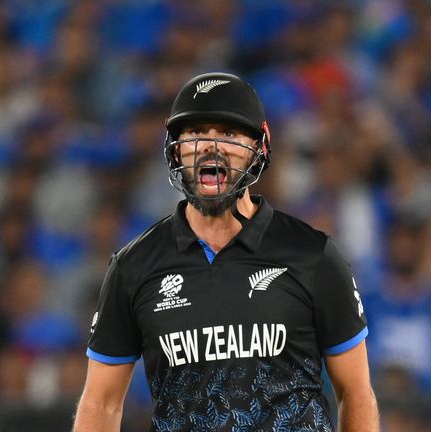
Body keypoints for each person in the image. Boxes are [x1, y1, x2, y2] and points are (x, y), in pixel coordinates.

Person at [73, 72, 379, 431]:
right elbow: (101, 403)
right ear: (176, 150)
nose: (210, 146)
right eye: (195, 133)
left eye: (229, 134)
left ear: (259, 147)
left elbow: (356, 393)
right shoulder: (134, 266)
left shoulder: (314, 255)